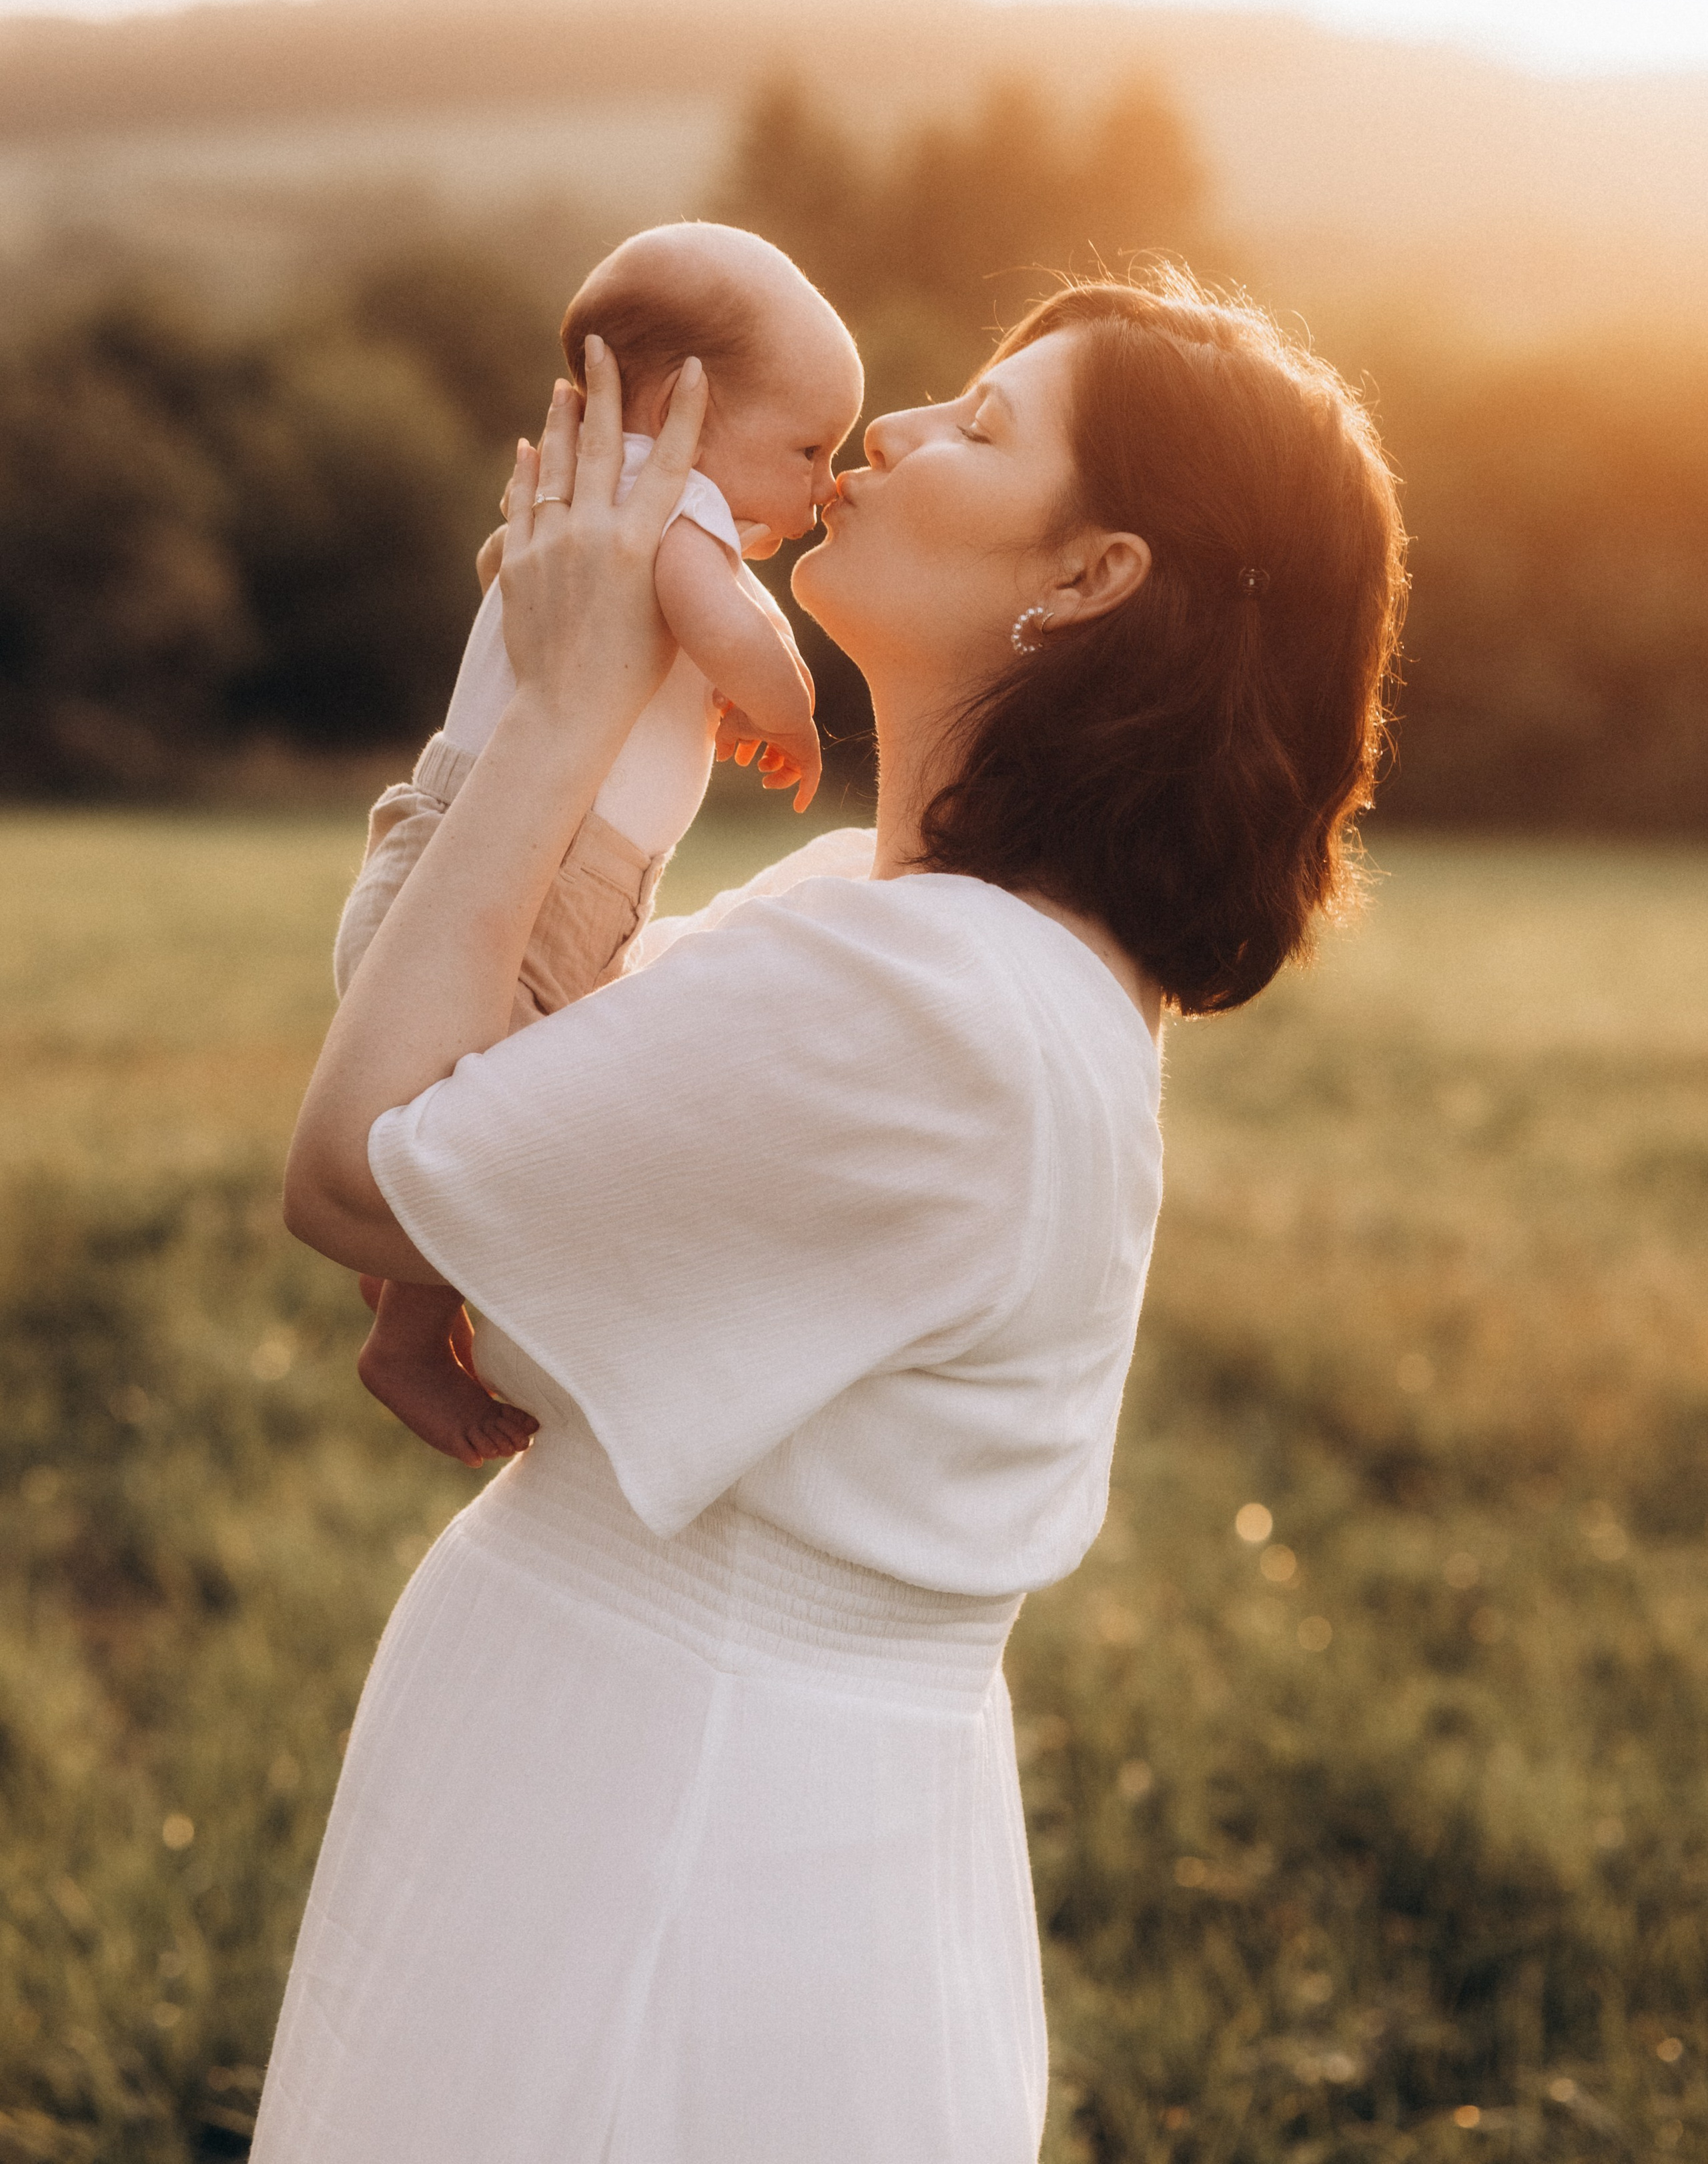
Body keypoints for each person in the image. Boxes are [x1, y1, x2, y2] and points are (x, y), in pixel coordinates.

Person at [259, 271, 1406, 2164]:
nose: (894, 433)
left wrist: (562, 708)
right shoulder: (880, 930)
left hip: (683, 1827)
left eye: (984, 424)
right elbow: (470, 1134)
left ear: (1093, 578)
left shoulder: (941, 1000)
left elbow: (358, 1169)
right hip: (625, 1759)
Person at [350, 222, 865, 1466]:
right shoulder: (665, 497)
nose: (822, 488)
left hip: (475, 844)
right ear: (686, 403)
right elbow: (718, 614)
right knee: (493, 1131)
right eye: (806, 449)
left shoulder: (589, 498)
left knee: (471, 1117)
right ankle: (410, 1331)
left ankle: (409, 1294)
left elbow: (499, 568)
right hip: (532, 880)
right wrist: (784, 698)